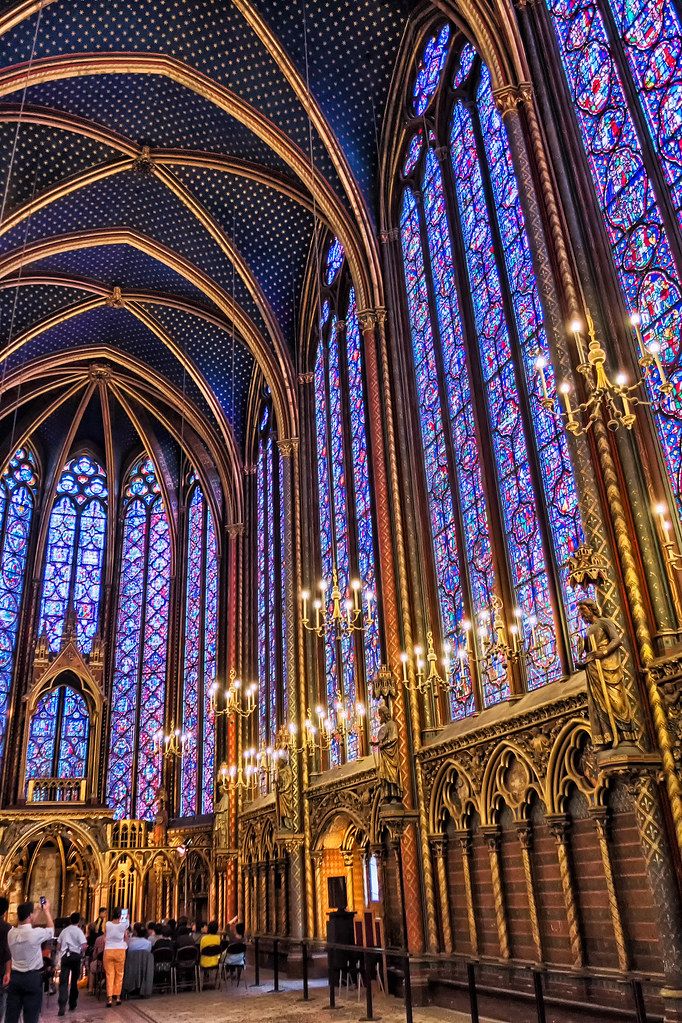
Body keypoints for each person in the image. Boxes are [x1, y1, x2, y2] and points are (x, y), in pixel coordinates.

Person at [5, 899, 54, 1023]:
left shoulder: (11, 933)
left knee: (11, 1015)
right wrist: (46, 911)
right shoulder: (35, 934)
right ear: (30, 916)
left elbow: (26, 925)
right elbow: (51, 930)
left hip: (15, 978)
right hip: (32, 978)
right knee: (31, 1016)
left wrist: (35, 912)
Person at [56, 912, 86, 1016]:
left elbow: (59, 945)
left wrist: (61, 951)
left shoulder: (64, 931)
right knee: (74, 981)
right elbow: (84, 945)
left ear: (70, 920)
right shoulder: (79, 931)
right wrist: (81, 951)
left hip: (65, 957)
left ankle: (62, 1004)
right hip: (75, 957)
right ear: (78, 921)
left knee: (63, 981)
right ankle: (72, 1003)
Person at [103, 908, 128, 1008]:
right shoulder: (123, 925)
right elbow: (126, 936)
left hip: (109, 950)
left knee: (109, 974)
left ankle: (109, 998)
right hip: (120, 950)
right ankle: (117, 997)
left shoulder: (107, 924)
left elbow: (104, 937)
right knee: (119, 974)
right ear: (120, 915)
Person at [0, 897, 12, 1022]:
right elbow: (8, 951)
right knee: (1, 998)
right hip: (1, 967)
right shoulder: (7, 928)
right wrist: (8, 972)